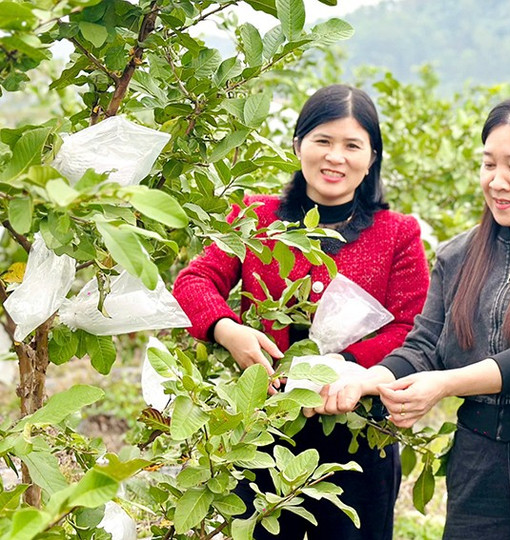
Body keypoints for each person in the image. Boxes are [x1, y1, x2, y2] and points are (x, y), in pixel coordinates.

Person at [314, 93, 510, 539]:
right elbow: (425, 347)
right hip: (477, 460)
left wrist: (446, 385)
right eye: (488, 164)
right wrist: (365, 379)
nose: (498, 181)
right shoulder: (458, 255)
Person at [173, 84, 430, 540]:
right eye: (323, 141)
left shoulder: (398, 234)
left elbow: (413, 326)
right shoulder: (254, 217)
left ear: (372, 158)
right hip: (264, 428)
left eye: (353, 146)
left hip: (360, 427)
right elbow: (193, 282)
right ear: (298, 145)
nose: (336, 157)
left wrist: (346, 368)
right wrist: (226, 328)